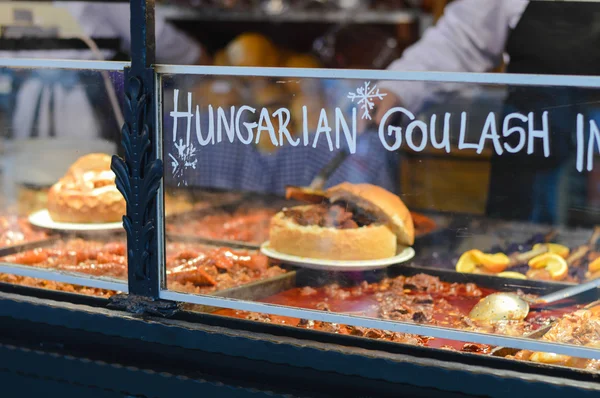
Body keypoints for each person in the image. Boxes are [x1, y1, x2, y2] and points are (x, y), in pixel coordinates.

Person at [370, 0, 600, 224]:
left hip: (587, 163)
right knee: (515, 254)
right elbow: (459, 40)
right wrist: (397, 86)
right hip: (528, 167)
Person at [5, 2, 209, 140]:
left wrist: (197, 60)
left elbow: (151, 32)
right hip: (28, 91)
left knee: (89, 172)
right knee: (28, 168)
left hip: (85, 93)